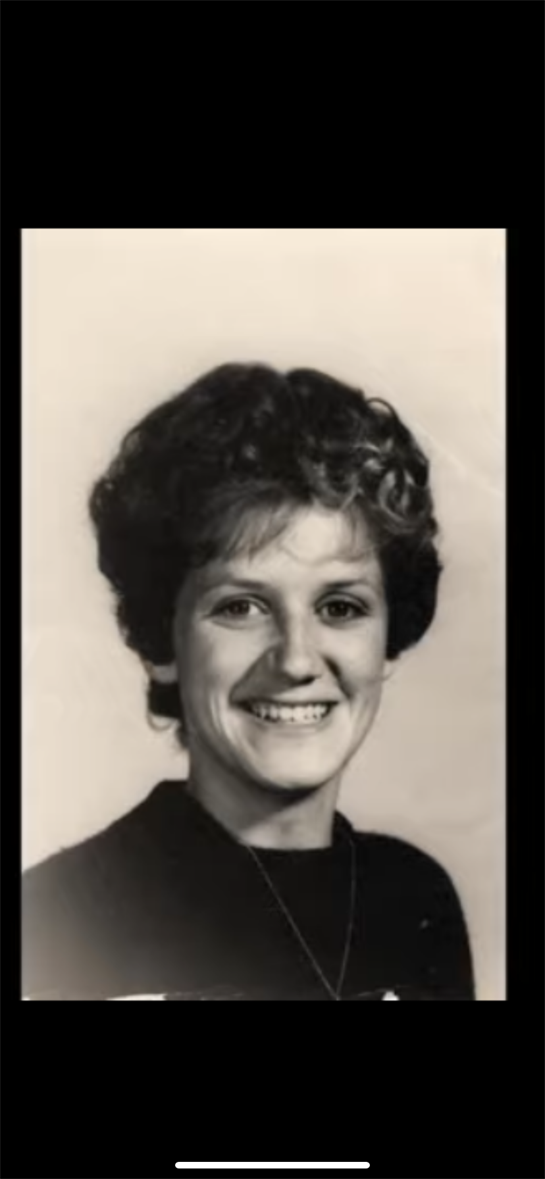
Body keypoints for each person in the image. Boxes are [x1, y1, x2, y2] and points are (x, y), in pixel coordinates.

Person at [22, 363, 475, 1000]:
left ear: (388, 640)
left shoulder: (416, 900)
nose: (296, 660)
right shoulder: (56, 914)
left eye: (340, 607)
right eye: (241, 607)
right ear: (160, 642)